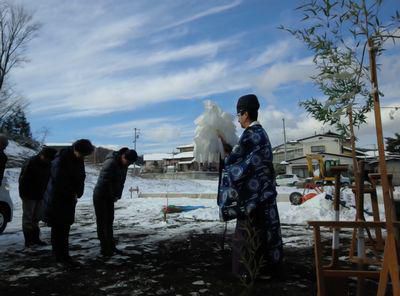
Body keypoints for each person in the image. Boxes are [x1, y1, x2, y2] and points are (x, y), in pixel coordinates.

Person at [218, 94, 283, 280]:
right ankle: (266, 271)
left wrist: (223, 154)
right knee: (264, 235)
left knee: (248, 236)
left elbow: (235, 164)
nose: (238, 120)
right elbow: (244, 157)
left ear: (245, 114)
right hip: (264, 197)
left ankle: (247, 274)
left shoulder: (250, 135)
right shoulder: (261, 134)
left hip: (253, 200)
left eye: (239, 115)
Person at [43, 139, 94, 266]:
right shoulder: (60, 160)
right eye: (82, 154)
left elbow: (81, 177)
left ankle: (65, 256)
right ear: (76, 149)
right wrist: (72, 193)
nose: (83, 157)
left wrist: (78, 192)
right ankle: (59, 257)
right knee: (58, 228)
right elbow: (59, 182)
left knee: (65, 228)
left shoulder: (78, 159)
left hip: (69, 199)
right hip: (58, 199)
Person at [93, 147, 138, 257]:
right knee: (103, 222)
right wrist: (112, 195)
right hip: (101, 195)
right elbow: (105, 182)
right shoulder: (111, 162)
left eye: (130, 163)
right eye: (128, 162)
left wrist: (117, 195)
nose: (128, 164)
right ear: (123, 156)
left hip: (110, 196)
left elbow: (122, 181)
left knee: (109, 221)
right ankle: (104, 248)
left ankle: (111, 246)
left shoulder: (124, 165)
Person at [19, 146, 57, 247]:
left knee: (36, 218)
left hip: (40, 194)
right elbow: (22, 180)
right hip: (28, 195)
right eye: (48, 158)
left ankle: (36, 239)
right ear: (42, 155)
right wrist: (24, 194)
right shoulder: (30, 162)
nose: (49, 160)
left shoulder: (48, 164)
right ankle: (28, 241)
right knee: (28, 218)